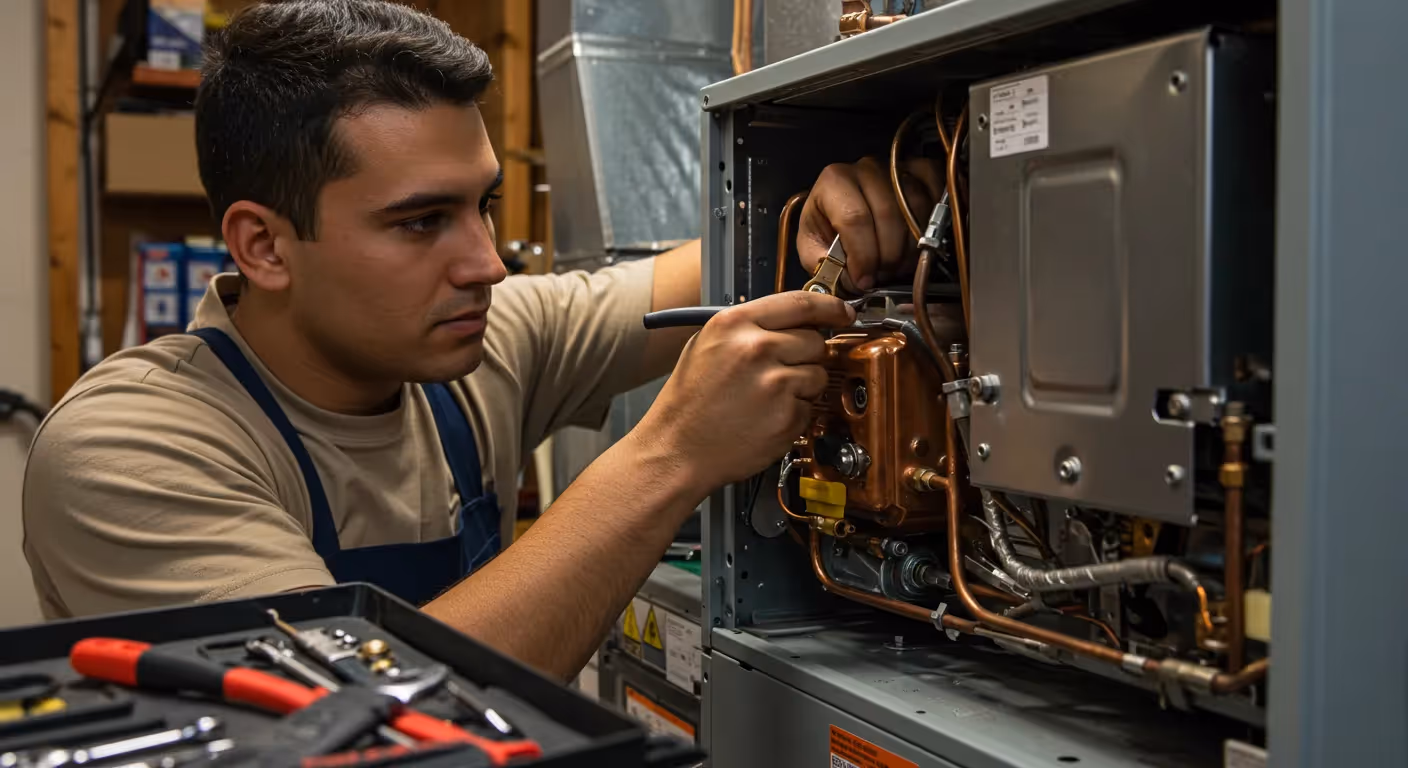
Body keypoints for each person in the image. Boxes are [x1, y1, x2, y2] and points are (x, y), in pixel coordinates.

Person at [22, 0, 925, 681]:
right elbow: (364, 721)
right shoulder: (130, 450)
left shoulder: (479, 343)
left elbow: (717, 264)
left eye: (483, 204)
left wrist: (824, 216)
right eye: (422, 222)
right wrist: (671, 454)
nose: (488, 264)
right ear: (264, 246)